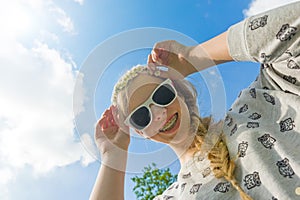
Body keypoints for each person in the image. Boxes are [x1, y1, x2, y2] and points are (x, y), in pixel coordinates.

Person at [90, 2, 300, 200]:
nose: (159, 114)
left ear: (178, 90)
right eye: (141, 116)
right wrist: (113, 155)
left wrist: (193, 58)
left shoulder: (259, 103)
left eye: (161, 95)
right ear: (141, 132)